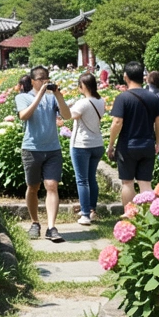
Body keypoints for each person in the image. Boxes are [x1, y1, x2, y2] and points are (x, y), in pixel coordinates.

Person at [17, 66, 71, 242]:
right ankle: (34, 222)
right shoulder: (22, 97)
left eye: (46, 78)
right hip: (31, 149)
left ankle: (51, 227)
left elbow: (67, 115)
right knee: (33, 187)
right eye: (40, 79)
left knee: (52, 185)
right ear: (32, 81)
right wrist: (39, 94)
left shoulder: (51, 99)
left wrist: (58, 95)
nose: (44, 82)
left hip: (52, 149)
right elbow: (24, 116)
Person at [106, 61, 159, 206]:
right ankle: (149, 218)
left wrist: (111, 144)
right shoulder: (153, 97)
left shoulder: (123, 98)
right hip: (147, 144)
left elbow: (117, 122)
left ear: (125, 76)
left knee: (127, 183)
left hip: (127, 146)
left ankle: (130, 217)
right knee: (145, 183)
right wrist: (157, 141)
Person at [69, 73, 106, 226]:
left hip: (81, 145)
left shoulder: (82, 103)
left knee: (82, 180)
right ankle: (92, 209)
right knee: (91, 178)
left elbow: (69, 116)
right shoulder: (101, 101)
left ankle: (85, 214)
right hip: (97, 144)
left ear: (83, 86)